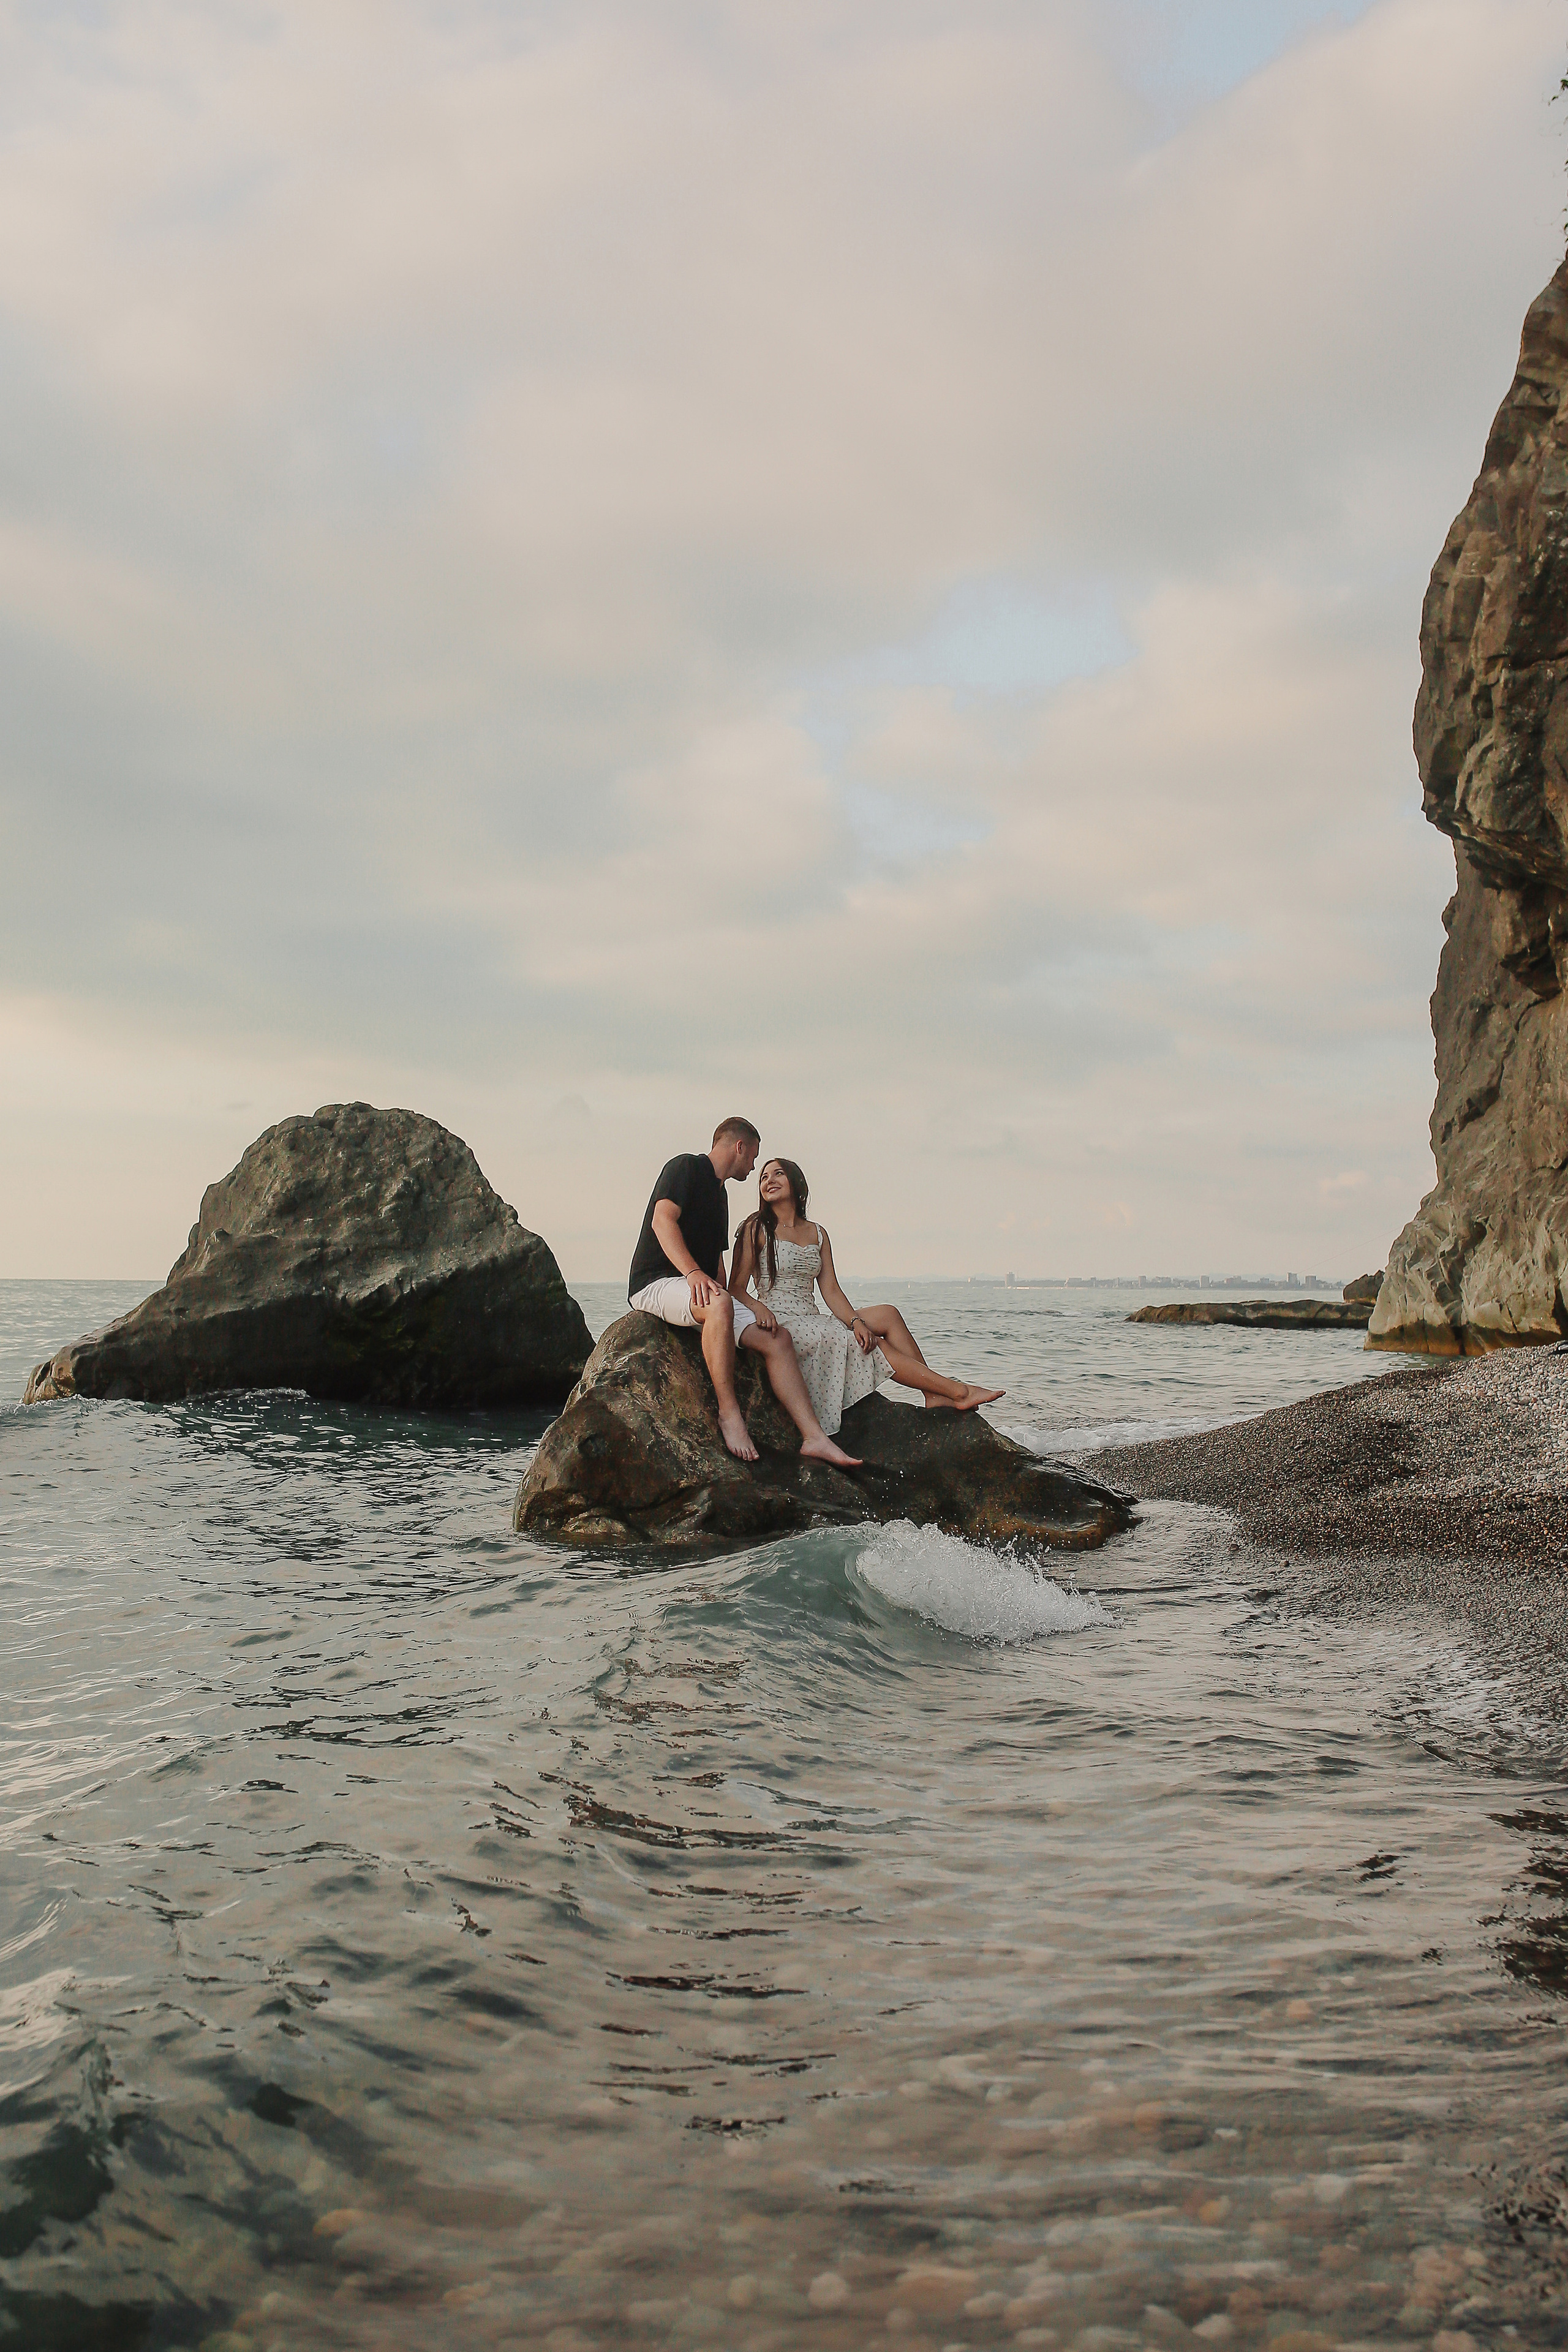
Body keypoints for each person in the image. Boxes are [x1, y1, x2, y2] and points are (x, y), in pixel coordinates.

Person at [627, 1119, 863, 1468]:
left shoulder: (720, 1195)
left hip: (701, 1292)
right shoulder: (686, 1167)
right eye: (754, 1156)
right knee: (719, 1303)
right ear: (740, 1147)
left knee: (778, 1338)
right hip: (656, 1282)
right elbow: (663, 1221)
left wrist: (733, 1297)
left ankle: (814, 1438)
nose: (755, 1166)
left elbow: (718, 1264)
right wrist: (693, 1274)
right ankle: (730, 1415)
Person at [728, 1158, 1005, 1438]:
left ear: (796, 1182)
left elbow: (831, 1291)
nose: (769, 1180)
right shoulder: (756, 1228)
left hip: (810, 1313)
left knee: (888, 1314)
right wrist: (758, 1307)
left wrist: (856, 1321)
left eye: (778, 1174)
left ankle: (932, 1394)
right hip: (780, 1317)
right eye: (763, 1177)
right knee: (869, 1344)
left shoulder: (817, 1233)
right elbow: (735, 1288)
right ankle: (959, 1391)